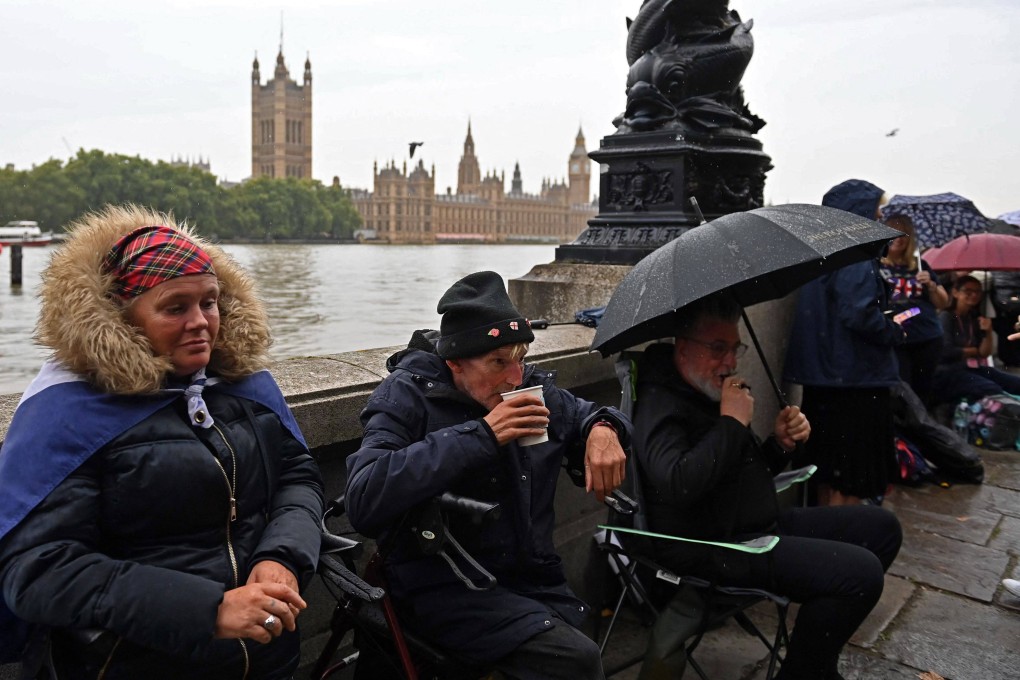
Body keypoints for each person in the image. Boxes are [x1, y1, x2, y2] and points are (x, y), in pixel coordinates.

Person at [0, 206, 324, 679]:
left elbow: (298, 478)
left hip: (266, 659)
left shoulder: (242, 388)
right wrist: (209, 610)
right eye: (176, 307)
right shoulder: (68, 412)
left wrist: (284, 556)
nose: (201, 322)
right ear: (121, 317)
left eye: (209, 302)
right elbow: (38, 570)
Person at [344, 271, 630, 679]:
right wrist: (482, 435)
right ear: (455, 360)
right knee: (576, 660)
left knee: (577, 643)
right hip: (442, 589)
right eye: (498, 361)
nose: (516, 377)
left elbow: (589, 413)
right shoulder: (406, 395)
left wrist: (604, 429)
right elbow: (363, 497)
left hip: (526, 579)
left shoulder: (527, 390)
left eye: (521, 359)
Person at [632, 294, 902, 680]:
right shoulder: (661, 402)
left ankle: (814, 654)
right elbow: (677, 483)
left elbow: (735, 474)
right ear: (683, 346)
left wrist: (779, 445)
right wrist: (731, 424)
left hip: (752, 523)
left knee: (881, 528)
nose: (730, 362)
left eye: (734, 347)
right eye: (717, 348)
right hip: (714, 545)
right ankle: (805, 672)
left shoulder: (703, 390)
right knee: (860, 575)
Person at [784, 179, 906, 505]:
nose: (881, 221)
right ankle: (843, 542)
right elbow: (858, 313)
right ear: (860, 213)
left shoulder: (823, 252)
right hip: (853, 381)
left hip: (826, 379)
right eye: (878, 213)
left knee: (828, 469)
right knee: (851, 474)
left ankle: (831, 540)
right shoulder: (854, 254)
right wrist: (893, 329)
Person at [878, 215, 950, 404]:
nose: (898, 238)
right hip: (896, 339)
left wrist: (932, 286)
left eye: (903, 234)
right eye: (893, 232)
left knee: (923, 391)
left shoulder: (920, 266)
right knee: (901, 392)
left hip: (927, 337)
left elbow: (943, 303)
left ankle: (921, 431)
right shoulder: (875, 266)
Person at [930, 275, 1020, 405]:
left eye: (977, 292)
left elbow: (984, 352)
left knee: (1015, 383)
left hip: (972, 368)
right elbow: (947, 352)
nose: (973, 295)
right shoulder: (946, 317)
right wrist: (974, 350)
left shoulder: (975, 317)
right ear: (955, 292)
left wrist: (988, 331)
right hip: (949, 372)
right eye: (968, 291)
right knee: (991, 389)